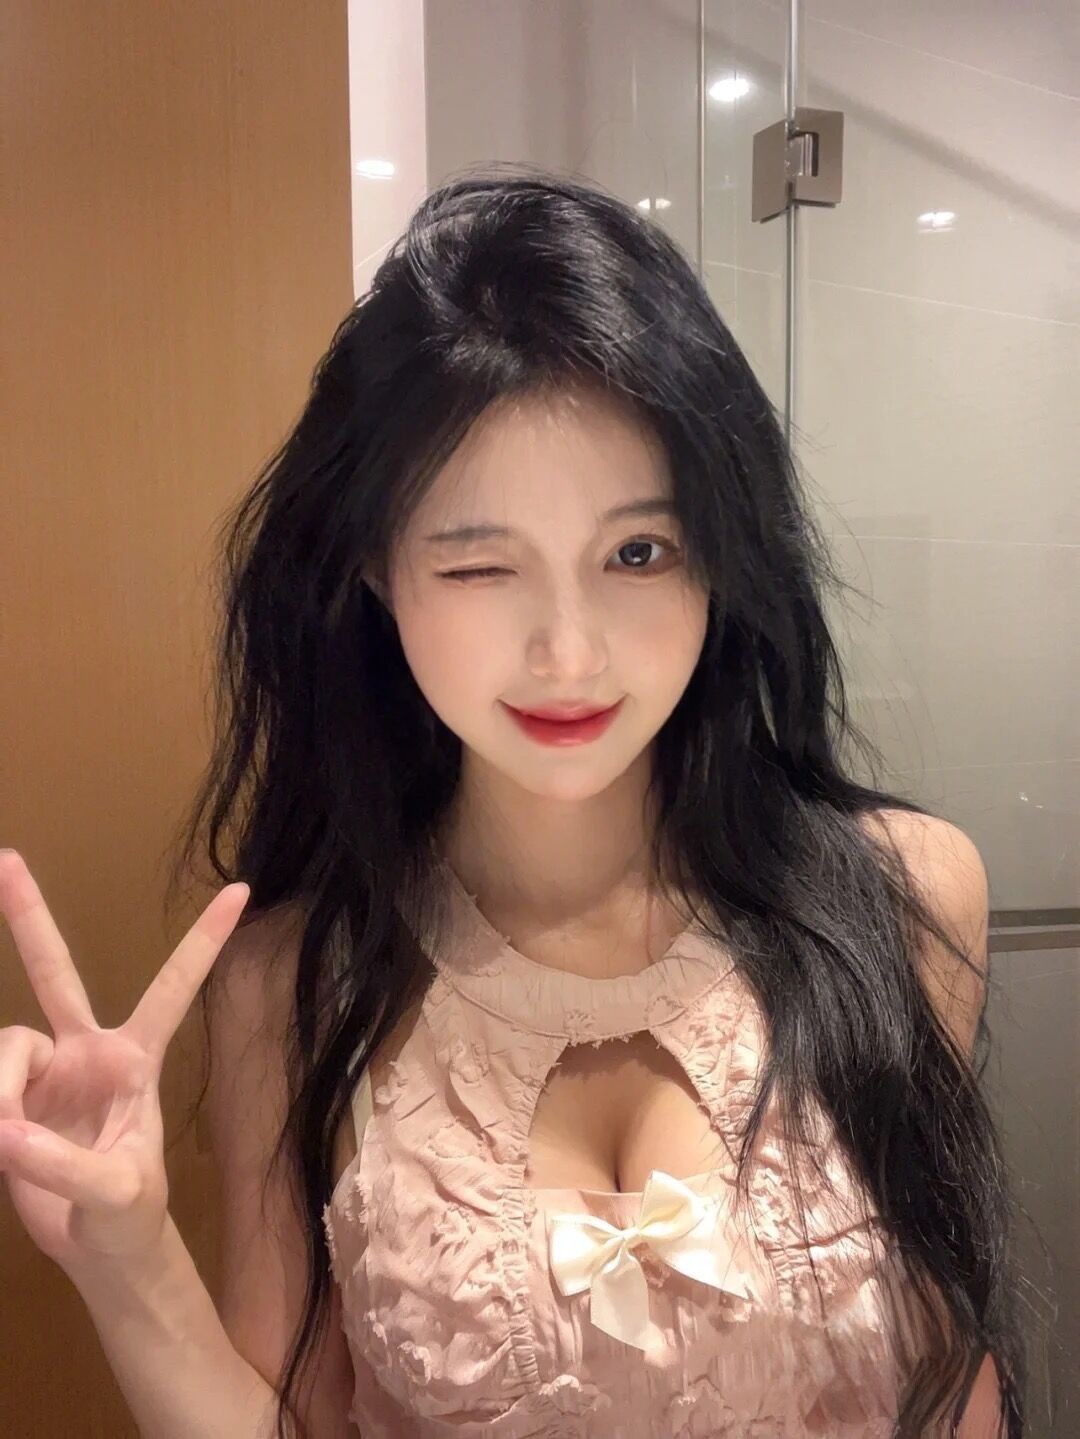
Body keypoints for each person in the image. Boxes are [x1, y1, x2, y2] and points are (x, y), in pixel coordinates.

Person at [0, 166, 1024, 1438]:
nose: (569, 652)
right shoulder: (291, 976)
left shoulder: (904, 896)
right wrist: (127, 1257)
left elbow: (954, 1378)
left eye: (637, 552)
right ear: (375, 571)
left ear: (720, 554)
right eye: (481, 563)